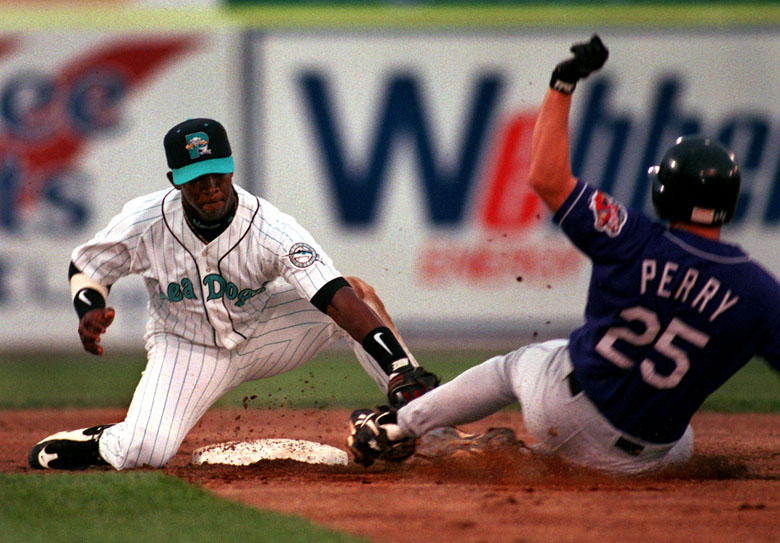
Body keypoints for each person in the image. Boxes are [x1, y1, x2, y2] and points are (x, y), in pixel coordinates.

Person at [346, 34, 780, 475]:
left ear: (664, 193)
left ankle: (398, 427)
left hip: (564, 408)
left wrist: (563, 83)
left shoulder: (633, 236)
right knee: (682, 438)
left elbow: (547, 176)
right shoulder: (761, 293)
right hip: (638, 461)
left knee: (512, 367)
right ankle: (539, 460)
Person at [29, 117, 439, 470]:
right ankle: (97, 442)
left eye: (218, 173)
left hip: (264, 332)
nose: (210, 187)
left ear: (231, 168)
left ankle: (430, 422)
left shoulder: (270, 228)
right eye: (196, 178)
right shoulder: (146, 220)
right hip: (185, 348)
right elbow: (88, 266)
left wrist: (398, 366)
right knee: (143, 449)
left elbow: (334, 297)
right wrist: (89, 307)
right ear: (174, 181)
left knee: (357, 295)